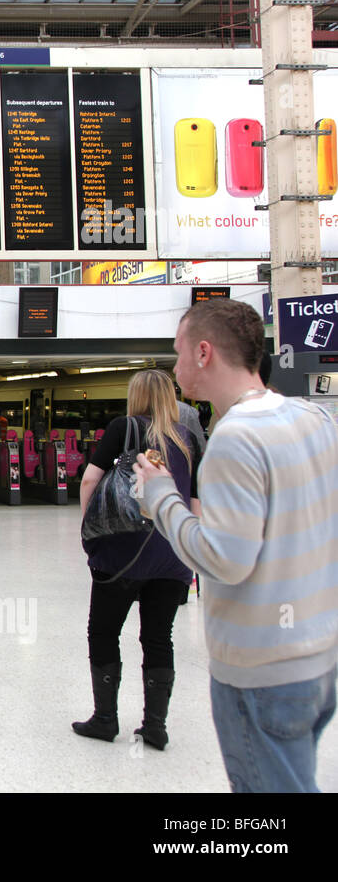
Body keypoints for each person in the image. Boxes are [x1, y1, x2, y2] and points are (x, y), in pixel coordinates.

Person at [135, 298, 338, 792]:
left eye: (178, 352)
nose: (175, 364)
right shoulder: (313, 418)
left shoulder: (234, 439)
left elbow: (225, 559)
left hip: (261, 669)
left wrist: (161, 499)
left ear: (204, 353)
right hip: (318, 656)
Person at [73, 370, 200, 750]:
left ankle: (105, 719)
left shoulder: (122, 428)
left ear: (136, 396)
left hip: (121, 551)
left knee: (104, 631)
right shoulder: (189, 439)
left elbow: (89, 480)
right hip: (172, 554)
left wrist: (89, 527)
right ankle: (155, 726)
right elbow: (196, 501)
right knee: (160, 638)